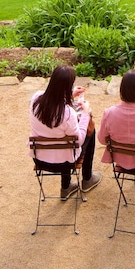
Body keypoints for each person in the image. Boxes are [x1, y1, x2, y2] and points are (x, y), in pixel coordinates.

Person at [29, 64, 102, 199]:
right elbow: (79, 141)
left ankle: (67, 187)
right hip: (65, 163)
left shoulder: (36, 99)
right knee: (89, 131)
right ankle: (87, 178)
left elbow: (53, 101)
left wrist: (70, 96)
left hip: (39, 159)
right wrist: (86, 114)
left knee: (65, 140)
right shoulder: (67, 113)